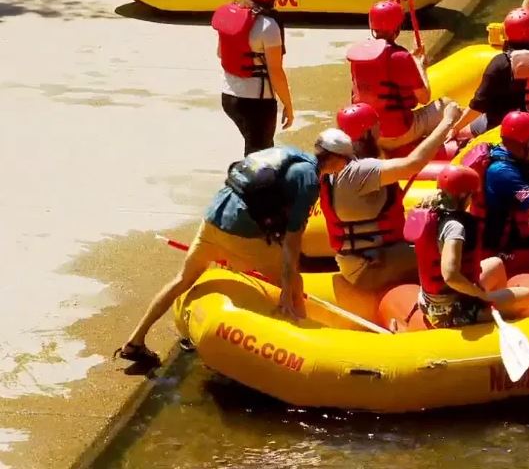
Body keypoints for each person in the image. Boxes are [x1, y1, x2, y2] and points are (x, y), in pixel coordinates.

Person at [114, 131, 356, 363]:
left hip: (212, 219)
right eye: (345, 161)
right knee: (295, 285)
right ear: (335, 158)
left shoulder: (286, 153)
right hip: (242, 230)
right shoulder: (309, 180)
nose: (344, 167)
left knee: (181, 280)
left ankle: (135, 341)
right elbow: (293, 239)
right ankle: (306, 348)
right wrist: (286, 285)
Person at [319, 101, 463, 292]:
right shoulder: (357, 170)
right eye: (377, 129)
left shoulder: (340, 166)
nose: (381, 134)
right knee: (449, 247)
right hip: (371, 266)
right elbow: (413, 164)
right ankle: (450, 302)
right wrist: (448, 120)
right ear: (367, 133)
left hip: (367, 259)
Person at [408, 165, 529, 328]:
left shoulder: (431, 211)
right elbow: (450, 276)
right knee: (528, 296)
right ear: (464, 195)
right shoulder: (455, 227)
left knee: (496, 263)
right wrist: (482, 295)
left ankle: (494, 310)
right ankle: (490, 314)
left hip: (435, 299)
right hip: (452, 310)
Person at [449, 8, 529, 159]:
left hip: (514, 127)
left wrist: (456, 128)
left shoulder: (500, 63)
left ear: (507, 33)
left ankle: (456, 144)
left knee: (466, 130)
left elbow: (478, 105)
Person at [463, 111, 529, 274]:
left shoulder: (503, 156)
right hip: (502, 251)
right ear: (527, 143)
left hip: (506, 241)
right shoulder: (502, 172)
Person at [346, 0, 451, 158]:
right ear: (397, 27)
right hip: (398, 134)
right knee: (448, 104)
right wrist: (420, 64)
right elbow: (424, 98)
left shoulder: (359, 55)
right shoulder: (402, 57)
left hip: (368, 135)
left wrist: (410, 59)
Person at [212, 0, 295, 156]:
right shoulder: (268, 26)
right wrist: (288, 105)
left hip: (229, 97)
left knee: (255, 149)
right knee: (260, 156)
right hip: (256, 103)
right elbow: (276, 72)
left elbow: (220, 53)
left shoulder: (231, 13)